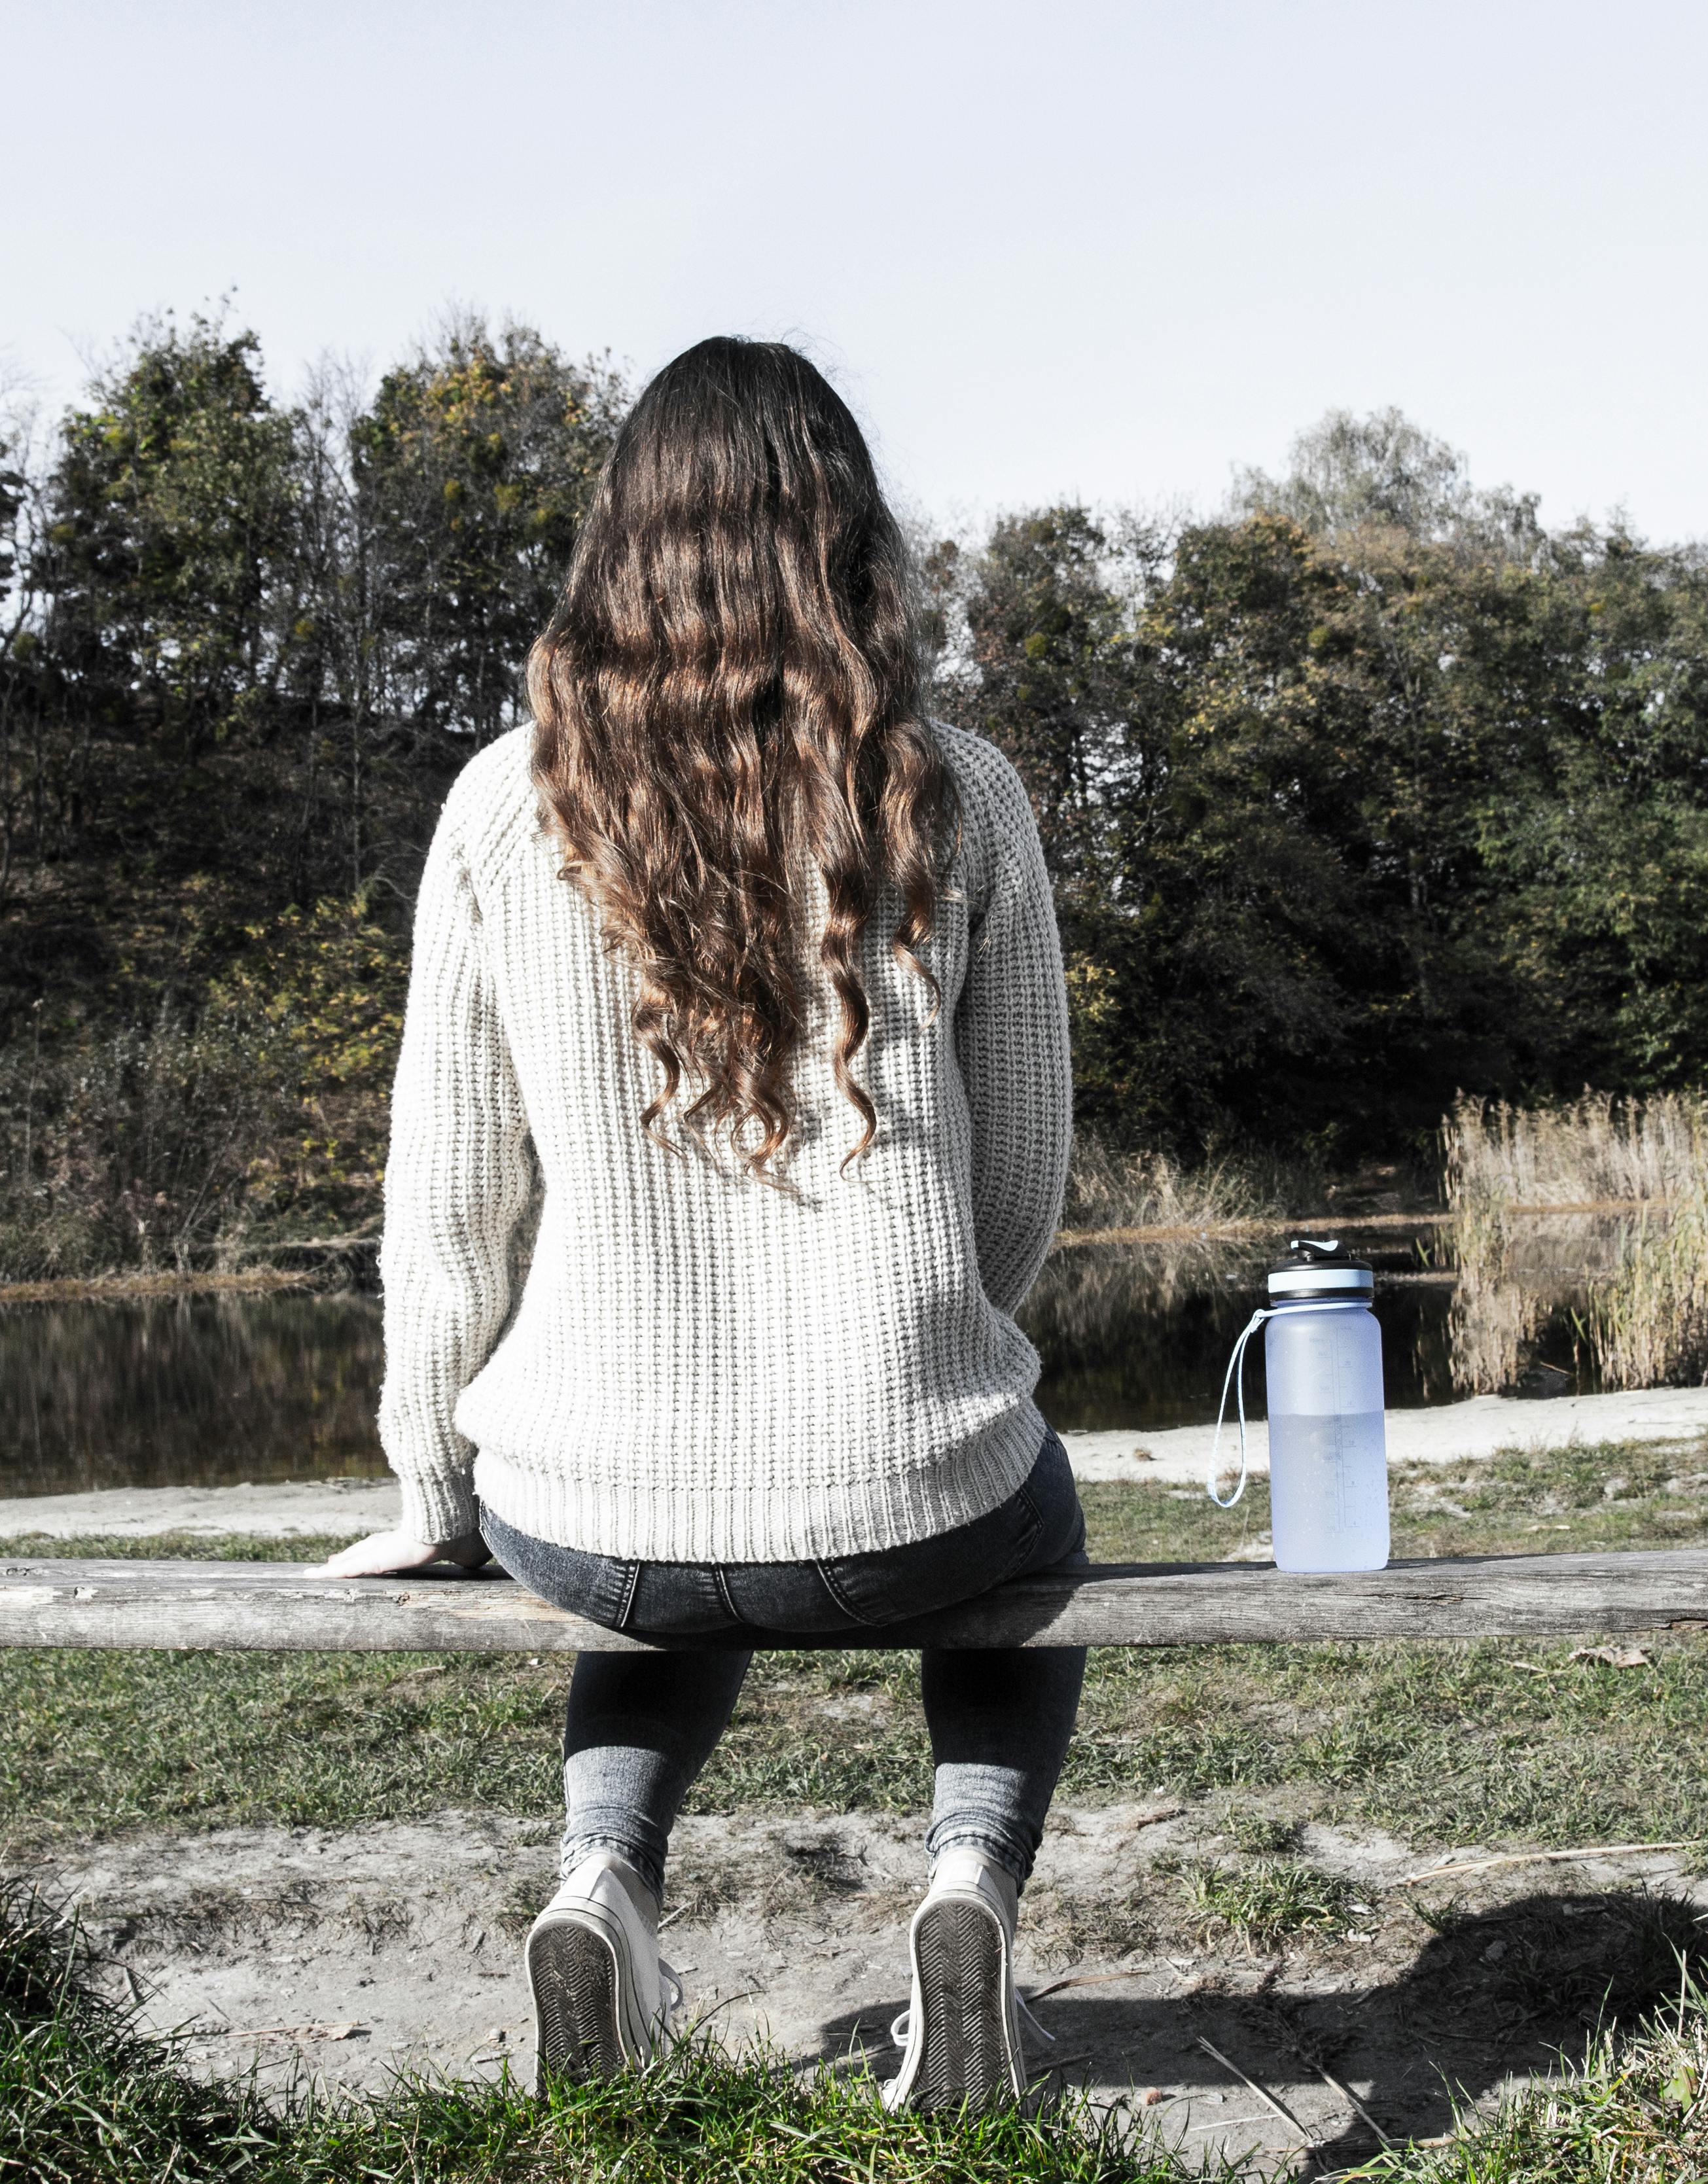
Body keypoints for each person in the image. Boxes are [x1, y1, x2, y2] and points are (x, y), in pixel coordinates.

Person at [315, 336, 1082, 2111]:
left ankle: (606, 1886)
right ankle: (966, 1887)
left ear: (617, 549)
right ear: (853, 542)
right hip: (918, 1497)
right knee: (1039, 1544)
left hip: (590, 1519)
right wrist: (945, 1360)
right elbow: (1024, 1168)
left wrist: (433, 1486)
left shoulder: (504, 805)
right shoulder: (958, 793)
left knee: (665, 1541)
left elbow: (449, 1201)